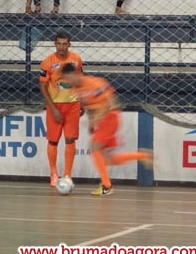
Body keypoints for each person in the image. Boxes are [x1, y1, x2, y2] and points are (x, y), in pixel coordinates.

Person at [61, 63, 153, 196]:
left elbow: (111, 102)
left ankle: (106, 185)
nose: (68, 82)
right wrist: (92, 122)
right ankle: (142, 155)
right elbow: (88, 106)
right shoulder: (76, 90)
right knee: (106, 159)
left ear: (75, 74)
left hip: (110, 117)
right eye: (65, 79)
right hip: (103, 120)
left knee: (94, 148)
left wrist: (98, 116)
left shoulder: (94, 83)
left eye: (68, 78)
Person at [39, 32, 83, 187]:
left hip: (73, 104)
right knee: (53, 140)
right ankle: (53, 174)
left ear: (69, 44)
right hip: (55, 105)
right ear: (55, 44)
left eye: (65, 44)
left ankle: (67, 175)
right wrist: (53, 108)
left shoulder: (76, 59)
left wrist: (82, 102)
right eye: (59, 44)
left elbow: (80, 81)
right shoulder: (47, 62)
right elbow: (43, 86)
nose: (62, 47)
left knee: (70, 139)